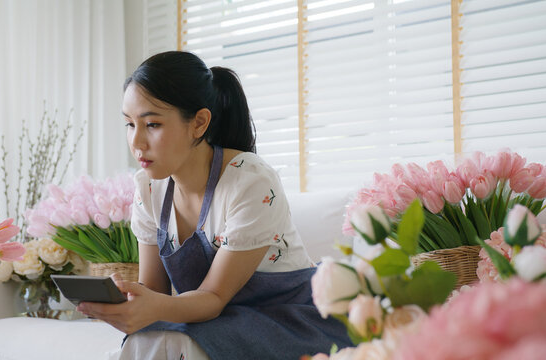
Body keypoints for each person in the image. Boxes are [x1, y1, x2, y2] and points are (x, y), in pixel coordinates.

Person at [77, 51, 350, 359]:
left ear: (199, 123)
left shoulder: (250, 181)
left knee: (176, 343)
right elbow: (155, 292)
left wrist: (152, 308)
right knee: (145, 340)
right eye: (129, 124)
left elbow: (214, 297)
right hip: (220, 322)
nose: (137, 142)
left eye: (152, 124)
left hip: (290, 322)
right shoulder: (149, 188)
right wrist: (130, 302)